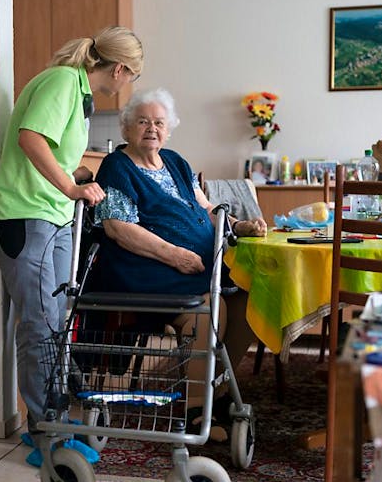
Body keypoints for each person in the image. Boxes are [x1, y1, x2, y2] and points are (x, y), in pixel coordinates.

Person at [0, 26, 143, 466]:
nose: (127, 85)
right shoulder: (60, 81)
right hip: (23, 216)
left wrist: (78, 179)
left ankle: (51, 417)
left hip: (50, 217)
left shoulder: (78, 92)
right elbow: (30, 140)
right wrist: (70, 189)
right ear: (120, 69)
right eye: (131, 76)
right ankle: (44, 431)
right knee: (39, 324)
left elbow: (56, 155)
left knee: (55, 322)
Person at [88, 87, 266, 437]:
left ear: (168, 129)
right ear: (126, 129)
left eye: (158, 122)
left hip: (194, 267)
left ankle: (220, 392)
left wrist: (239, 225)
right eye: (142, 122)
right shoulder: (117, 167)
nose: (151, 129)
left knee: (247, 299)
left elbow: (206, 209)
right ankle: (199, 410)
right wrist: (174, 255)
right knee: (209, 308)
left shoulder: (176, 162)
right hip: (144, 271)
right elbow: (119, 229)